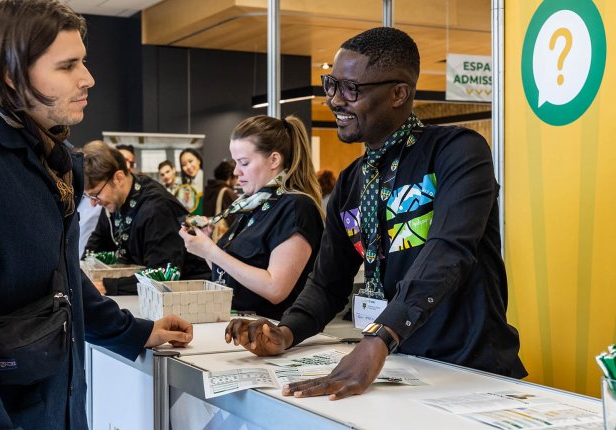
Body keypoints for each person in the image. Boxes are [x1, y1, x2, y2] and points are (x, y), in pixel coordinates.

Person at [225, 27, 526, 400]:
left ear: (399, 93)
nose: (335, 100)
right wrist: (285, 332)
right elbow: (327, 283)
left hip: (469, 370)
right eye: (331, 85)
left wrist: (381, 336)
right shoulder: (353, 181)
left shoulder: (459, 152)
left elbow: (448, 251)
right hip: (398, 369)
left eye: (351, 89)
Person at [0, 2, 193, 428]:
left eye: (84, 61)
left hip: (55, 402)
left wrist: (133, 331)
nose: (88, 78)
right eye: (67, 65)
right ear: (11, 75)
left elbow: (59, 273)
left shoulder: (51, 158)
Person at [180, 115, 324, 320]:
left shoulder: (296, 207)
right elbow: (231, 272)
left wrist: (211, 252)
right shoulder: (254, 204)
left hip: (272, 333)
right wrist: (205, 246)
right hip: (237, 323)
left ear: (274, 159)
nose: (237, 171)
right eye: (235, 162)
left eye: (244, 163)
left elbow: (276, 288)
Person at [83, 141, 210, 295]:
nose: (93, 203)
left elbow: (162, 275)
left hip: (192, 296)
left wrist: (107, 286)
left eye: (96, 194)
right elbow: (95, 245)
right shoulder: (114, 202)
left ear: (118, 177)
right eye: (88, 196)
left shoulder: (157, 209)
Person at [203, 159, 238, 224]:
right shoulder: (227, 192)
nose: (238, 182)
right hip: (223, 232)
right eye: (237, 177)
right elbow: (233, 219)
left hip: (208, 230)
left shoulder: (209, 188)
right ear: (230, 176)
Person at [176, 147, 204, 214]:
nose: (188, 167)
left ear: (198, 160)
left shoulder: (207, 179)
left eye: (190, 161)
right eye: (184, 165)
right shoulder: (187, 184)